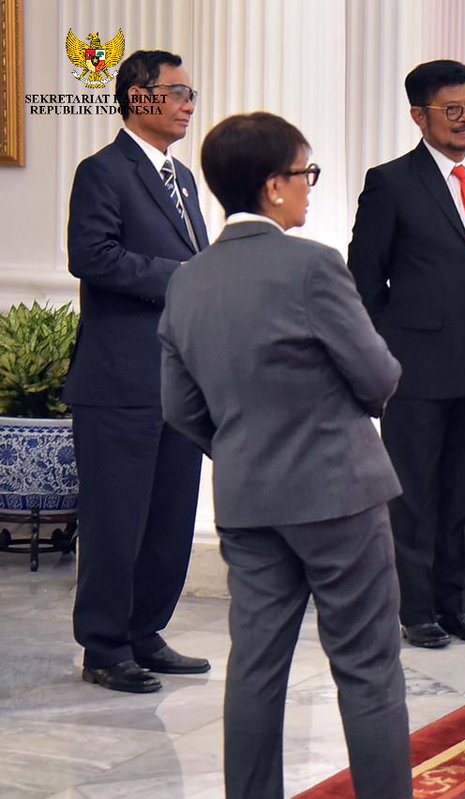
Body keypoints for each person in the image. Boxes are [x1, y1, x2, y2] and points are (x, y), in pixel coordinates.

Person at [158, 112, 412, 799]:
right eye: (306, 174)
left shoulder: (187, 281)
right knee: (367, 668)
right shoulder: (313, 266)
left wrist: (241, 446)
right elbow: (379, 376)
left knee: (256, 668)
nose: (310, 188)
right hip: (338, 496)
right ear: (274, 186)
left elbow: (180, 409)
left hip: (248, 499)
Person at [348, 59, 465, 648]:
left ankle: (459, 605)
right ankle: (415, 610)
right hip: (415, 370)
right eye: (452, 110)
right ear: (420, 116)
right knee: (414, 497)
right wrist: (378, 360)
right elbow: (363, 282)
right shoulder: (391, 183)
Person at [66, 49, 210, 693]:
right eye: (177, 92)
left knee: (169, 518)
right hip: (120, 380)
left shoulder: (181, 179)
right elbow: (91, 256)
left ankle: (145, 631)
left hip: (178, 381)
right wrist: (181, 277)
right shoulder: (101, 172)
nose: (187, 104)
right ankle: (104, 646)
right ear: (137, 98)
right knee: (116, 520)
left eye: (190, 93)